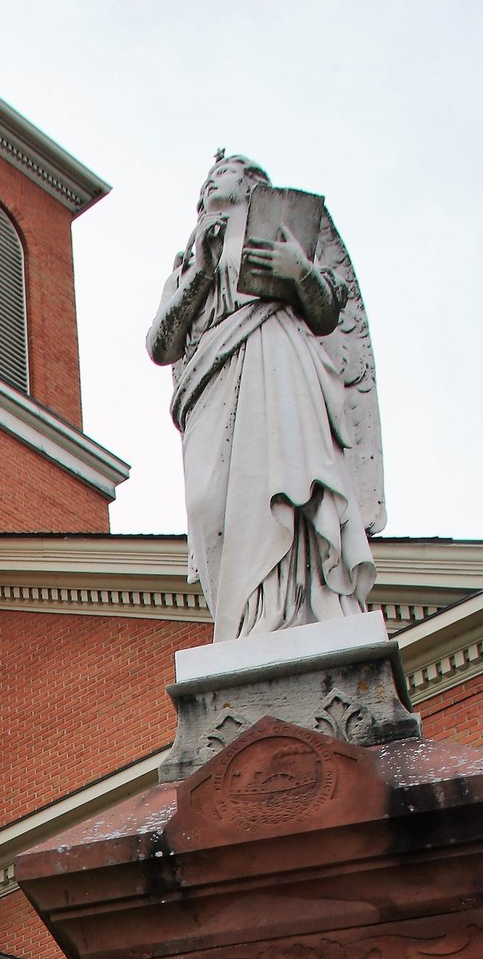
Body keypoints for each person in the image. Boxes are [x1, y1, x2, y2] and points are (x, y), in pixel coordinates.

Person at [146, 150, 383, 641]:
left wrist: (299, 272)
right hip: (210, 384)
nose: (209, 183)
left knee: (282, 480)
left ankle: (292, 612)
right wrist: (202, 272)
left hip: (276, 361)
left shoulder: (286, 228)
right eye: (205, 181)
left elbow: (326, 315)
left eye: (223, 172)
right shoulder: (189, 258)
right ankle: (238, 624)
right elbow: (160, 344)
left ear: (252, 182)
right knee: (209, 503)